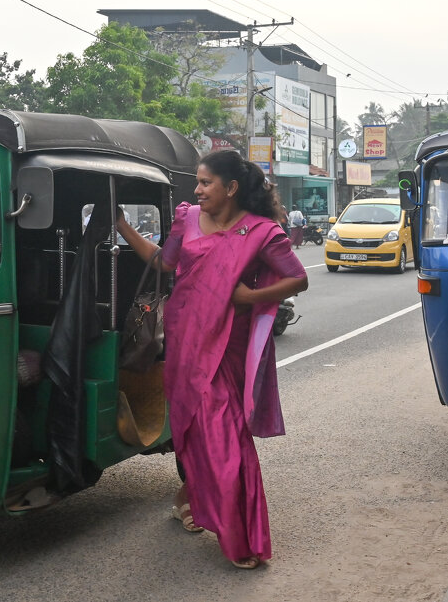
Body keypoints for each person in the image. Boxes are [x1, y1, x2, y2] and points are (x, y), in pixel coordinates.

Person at [115, 150, 309, 569]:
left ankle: (241, 537)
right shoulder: (186, 219)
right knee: (189, 429)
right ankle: (190, 496)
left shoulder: (262, 233)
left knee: (226, 437)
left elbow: (299, 278)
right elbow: (163, 262)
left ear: (231, 188)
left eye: (205, 183)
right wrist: (122, 227)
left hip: (226, 348)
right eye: (198, 182)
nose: (197, 190)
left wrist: (250, 297)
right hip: (183, 339)